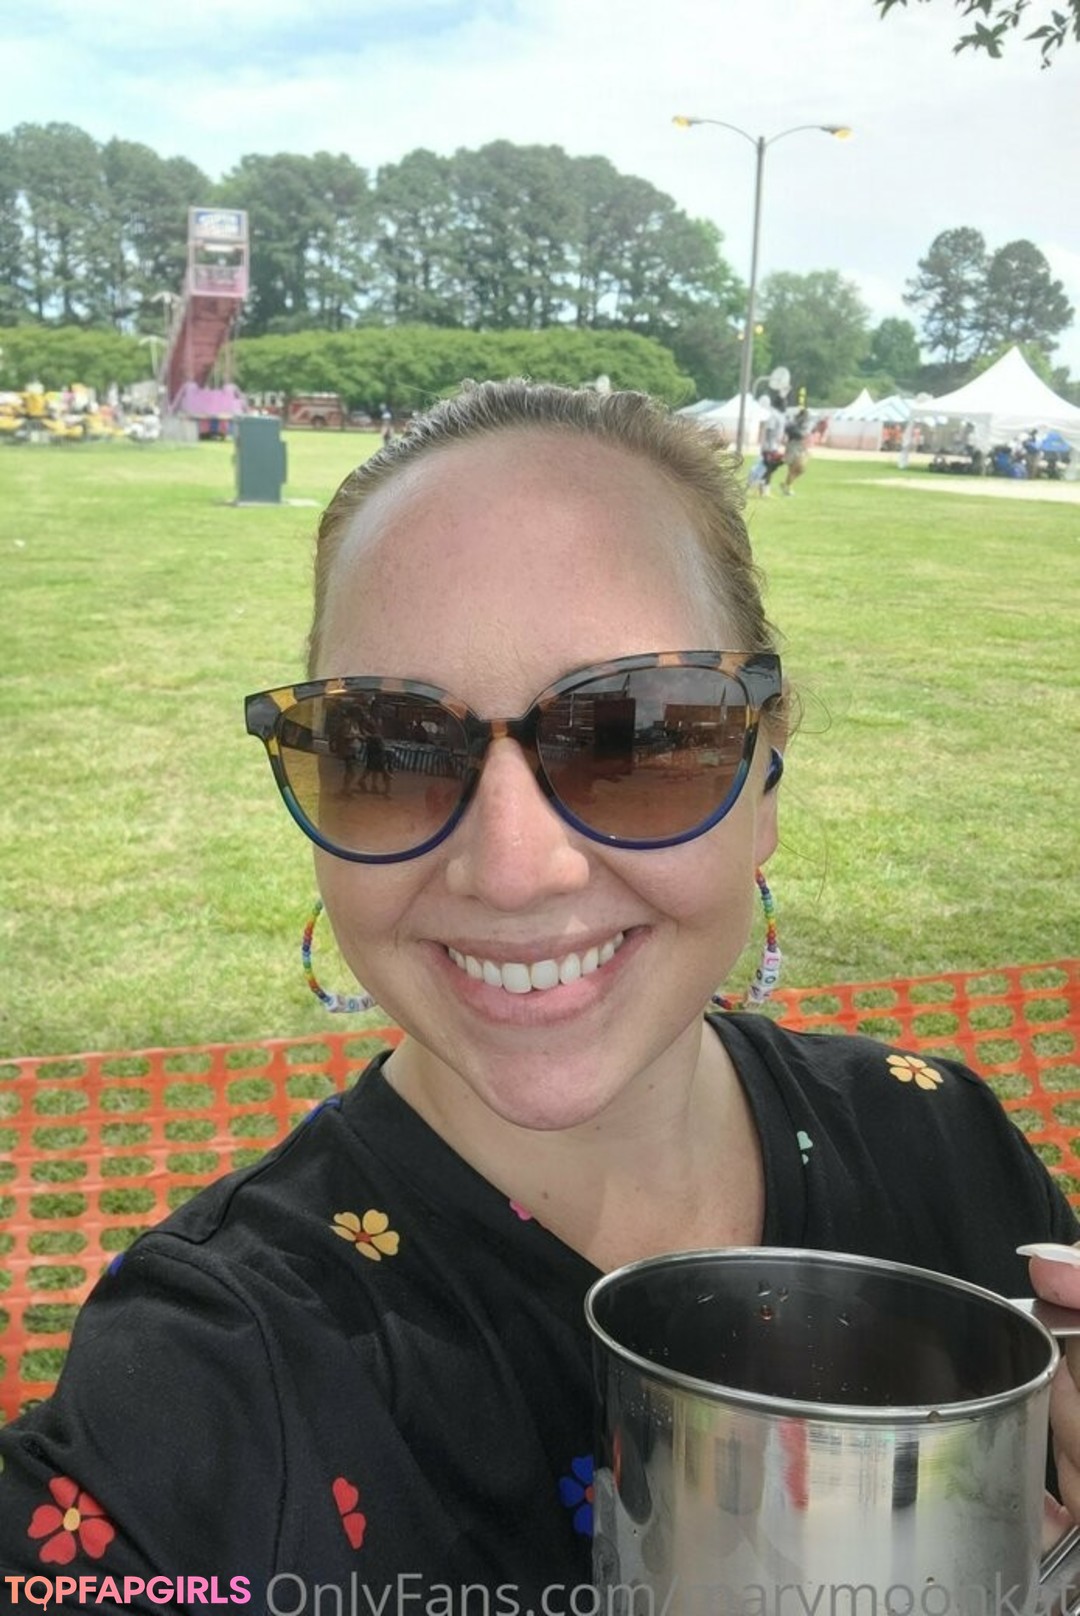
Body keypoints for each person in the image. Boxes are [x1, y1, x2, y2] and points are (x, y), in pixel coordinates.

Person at [3, 380, 1080, 1609]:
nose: (513, 868)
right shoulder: (212, 1366)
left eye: (637, 735)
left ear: (767, 780)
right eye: (390, 746)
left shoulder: (938, 1135)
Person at [781, 405, 811, 495]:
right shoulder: (794, 423)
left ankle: (786, 485)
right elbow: (788, 431)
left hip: (800, 446)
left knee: (801, 469)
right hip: (793, 445)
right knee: (794, 468)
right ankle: (788, 488)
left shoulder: (805, 424)